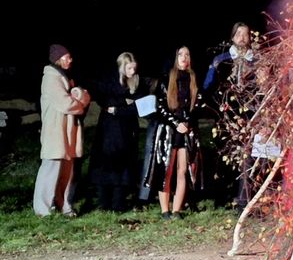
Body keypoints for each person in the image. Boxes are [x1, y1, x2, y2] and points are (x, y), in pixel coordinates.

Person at [204, 22, 259, 207]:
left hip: (248, 116)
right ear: (233, 37)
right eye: (239, 34)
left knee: (247, 155)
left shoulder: (256, 60)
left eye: (246, 34)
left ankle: (243, 198)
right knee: (224, 154)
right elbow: (208, 87)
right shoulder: (221, 60)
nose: (242, 37)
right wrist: (219, 108)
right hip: (226, 116)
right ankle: (222, 197)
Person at [143, 46, 202, 219]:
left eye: (187, 54)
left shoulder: (192, 78)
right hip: (169, 131)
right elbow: (160, 107)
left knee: (182, 170)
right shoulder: (166, 79)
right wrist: (176, 123)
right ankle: (164, 210)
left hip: (186, 131)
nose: (184, 58)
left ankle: (176, 210)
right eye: (180, 54)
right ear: (175, 58)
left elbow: (196, 106)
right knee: (166, 169)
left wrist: (187, 123)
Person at [33, 44, 90, 217]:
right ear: (58, 58)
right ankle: (42, 209)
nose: (70, 60)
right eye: (67, 57)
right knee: (51, 169)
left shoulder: (65, 76)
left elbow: (82, 95)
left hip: (67, 131)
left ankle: (63, 204)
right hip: (55, 131)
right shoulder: (51, 78)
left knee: (67, 171)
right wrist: (80, 101)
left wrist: (78, 96)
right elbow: (65, 103)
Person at [89, 52, 146, 212]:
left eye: (134, 68)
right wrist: (124, 104)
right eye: (129, 68)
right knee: (106, 165)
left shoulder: (137, 82)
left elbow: (139, 106)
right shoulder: (110, 82)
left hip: (128, 129)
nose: (132, 71)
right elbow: (105, 101)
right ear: (122, 67)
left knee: (125, 166)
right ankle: (104, 203)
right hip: (109, 130)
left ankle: (118, 203)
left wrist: (120, 109)